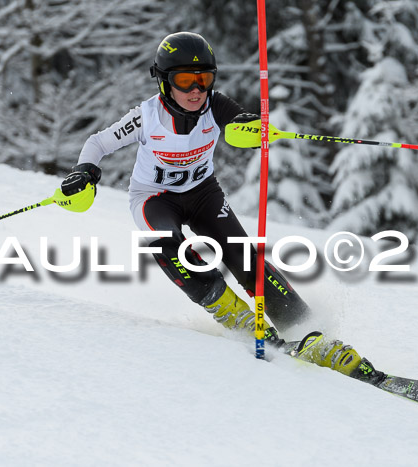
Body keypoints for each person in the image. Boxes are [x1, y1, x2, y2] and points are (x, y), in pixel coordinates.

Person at [60, 31, 382, 383]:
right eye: (185, 80)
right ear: (164, 81)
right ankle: (234, 315)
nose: (196, 90)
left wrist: (255, 128)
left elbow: (241, 122)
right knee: (165, 241)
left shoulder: (216, 106)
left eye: (204, 79)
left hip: (203, 193)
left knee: (245, 257)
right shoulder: (147, 116)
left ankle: (304, 327)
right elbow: (98, 142)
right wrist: (85, 170)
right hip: (154, 197)